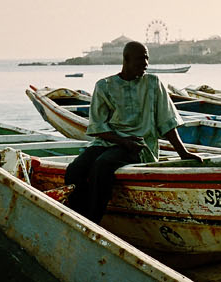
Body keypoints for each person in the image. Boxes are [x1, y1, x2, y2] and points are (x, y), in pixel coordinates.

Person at [63, 42, 195, 223]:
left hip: (139, 145)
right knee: (74, 170)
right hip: (110, 142)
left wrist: (183, 153)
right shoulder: (104, 86)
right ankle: (79, 214)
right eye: (141, 59)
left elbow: (168, 122)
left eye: (147, 58)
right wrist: (122, 141)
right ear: (126, 59)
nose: (146, 63)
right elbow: (98, 128)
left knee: (103, 165)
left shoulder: (153, 83)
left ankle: (93, 220)